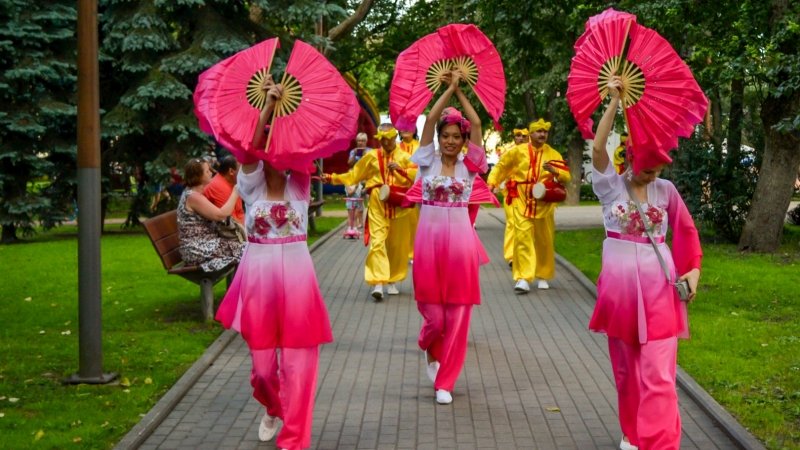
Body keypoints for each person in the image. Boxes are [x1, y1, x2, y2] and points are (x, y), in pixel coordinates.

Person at [215, 78, 333, 450]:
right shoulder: (250, 186)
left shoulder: (300, 184)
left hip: (298, 283)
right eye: (271, 149)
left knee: (299, 367)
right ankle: (272, 405)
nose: (277, 156)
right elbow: (248, 148)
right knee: (264, 372)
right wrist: (266, 105)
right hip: (259, 283)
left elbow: (303, 147)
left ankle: (295, 439)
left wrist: (286, 112)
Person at [589, 76, 702, 450]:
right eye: (646, 167)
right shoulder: (610, 187)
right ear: (630, 158)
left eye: (656, 169)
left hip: (659, 288)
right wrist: (613, 102)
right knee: (626, 372)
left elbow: (686, 234)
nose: (651, 175)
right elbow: (598, 150)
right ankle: (631, 432)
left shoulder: (666, 191)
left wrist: (693, 274)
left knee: (659, 373)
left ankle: (660, 442)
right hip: (620, 291)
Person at [408, 70, 487, 405]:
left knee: (457, 317)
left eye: (457, 135)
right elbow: (427, 124)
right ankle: (428, 344)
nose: (452, 140)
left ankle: (446, 381)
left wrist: (462, 93)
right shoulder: (427, 163)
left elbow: (479, 127)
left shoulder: (471, 166)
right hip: (428, 245)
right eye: (447, 135)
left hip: (460, 246)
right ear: (440, 138)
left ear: (463, 139)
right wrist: (447, 90)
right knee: (434, 316)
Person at [323, 123, 416, 301]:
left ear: (395, 137)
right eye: (384, 140)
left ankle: (392, 280)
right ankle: (378, 282)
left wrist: (401, 170)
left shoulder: (405, 157)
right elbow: (354, 175)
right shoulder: (371, 156)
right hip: (377, 202)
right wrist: (332, 178)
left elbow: (417, 177)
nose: (387, 143)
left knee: (397, 245)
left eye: (390, 139)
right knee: (378, 241)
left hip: (398, 204)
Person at [487, 119, 571, 293]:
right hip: (522, 199)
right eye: (538, 131)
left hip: (544, 201)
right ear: (530, 134)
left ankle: (543, 274)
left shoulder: (553, 154)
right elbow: (501, 167)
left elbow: (566, 176)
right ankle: (523, 278)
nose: (542, 134)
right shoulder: (517, 152)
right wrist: (492, 182)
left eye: (545, 132)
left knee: (544, 239)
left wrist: (555, 172)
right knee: (522, 237)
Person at [177, 158, 244, 272]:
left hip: (205, 246)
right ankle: (245, 288)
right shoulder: (193, 197)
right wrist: (235, 191)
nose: (212, 173)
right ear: (198, 176)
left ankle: (243, 287)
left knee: (249, 249)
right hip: (198, 250)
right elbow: (221, 215)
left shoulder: (194, 194)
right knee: (249, 251)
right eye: (207, 171)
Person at [203, 155, 245, 224]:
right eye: (242, 169)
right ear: (231, 171)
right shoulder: (218, 186)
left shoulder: (233, 182)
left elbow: (240, 212)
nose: (245, 173)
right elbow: (232, 222)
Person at [344, 133, 370, 235]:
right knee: (356, 202)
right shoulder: (353, 151)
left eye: (363, 141)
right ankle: (355, 224)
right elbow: (349, 163)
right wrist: (355, 155)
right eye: (359, 140)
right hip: (356, 179)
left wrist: (365, 156)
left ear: (366, 141)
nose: (361, 143)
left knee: (367, 202)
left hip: (367, 178)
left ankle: (365, 221)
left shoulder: (370, 151)